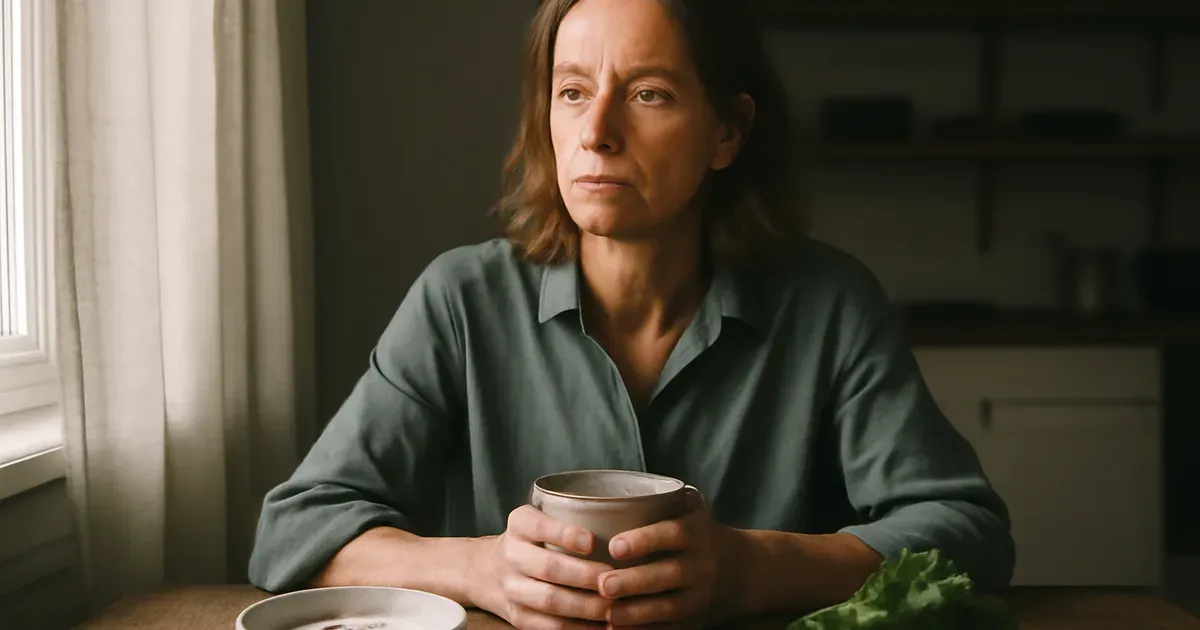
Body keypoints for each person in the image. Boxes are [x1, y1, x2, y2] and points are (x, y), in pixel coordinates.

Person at [248, 0, 1015, 627]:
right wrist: (483, 569)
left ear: (728, 132)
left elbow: (968, 531)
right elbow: (295, 530)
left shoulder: (829, 303)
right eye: (573, 91)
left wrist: (749, 569)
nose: (598, 132)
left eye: (648, 93)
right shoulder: (460, 300)